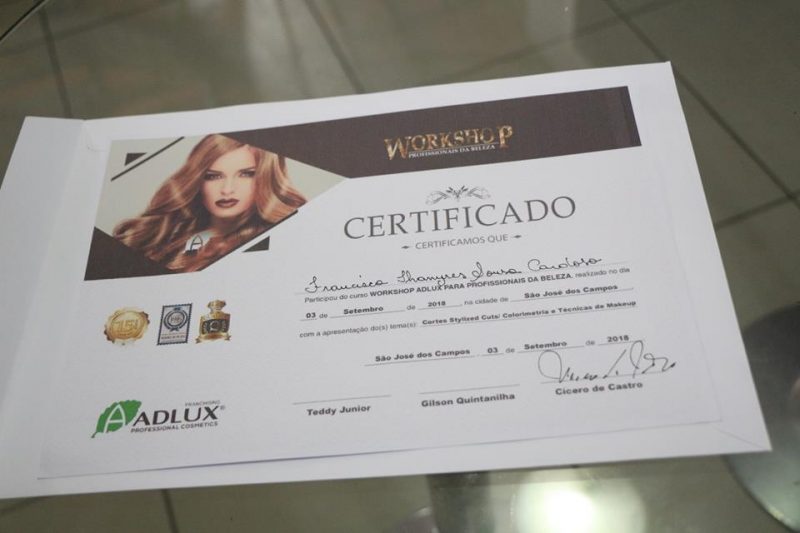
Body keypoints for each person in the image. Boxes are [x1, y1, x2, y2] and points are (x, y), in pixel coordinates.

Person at [114, 134, 305, 272]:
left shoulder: (279, 238)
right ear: (197, 181)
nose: (227, 189)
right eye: (213, 176)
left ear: (265, 178)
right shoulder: (165, 234)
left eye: (246, 174)